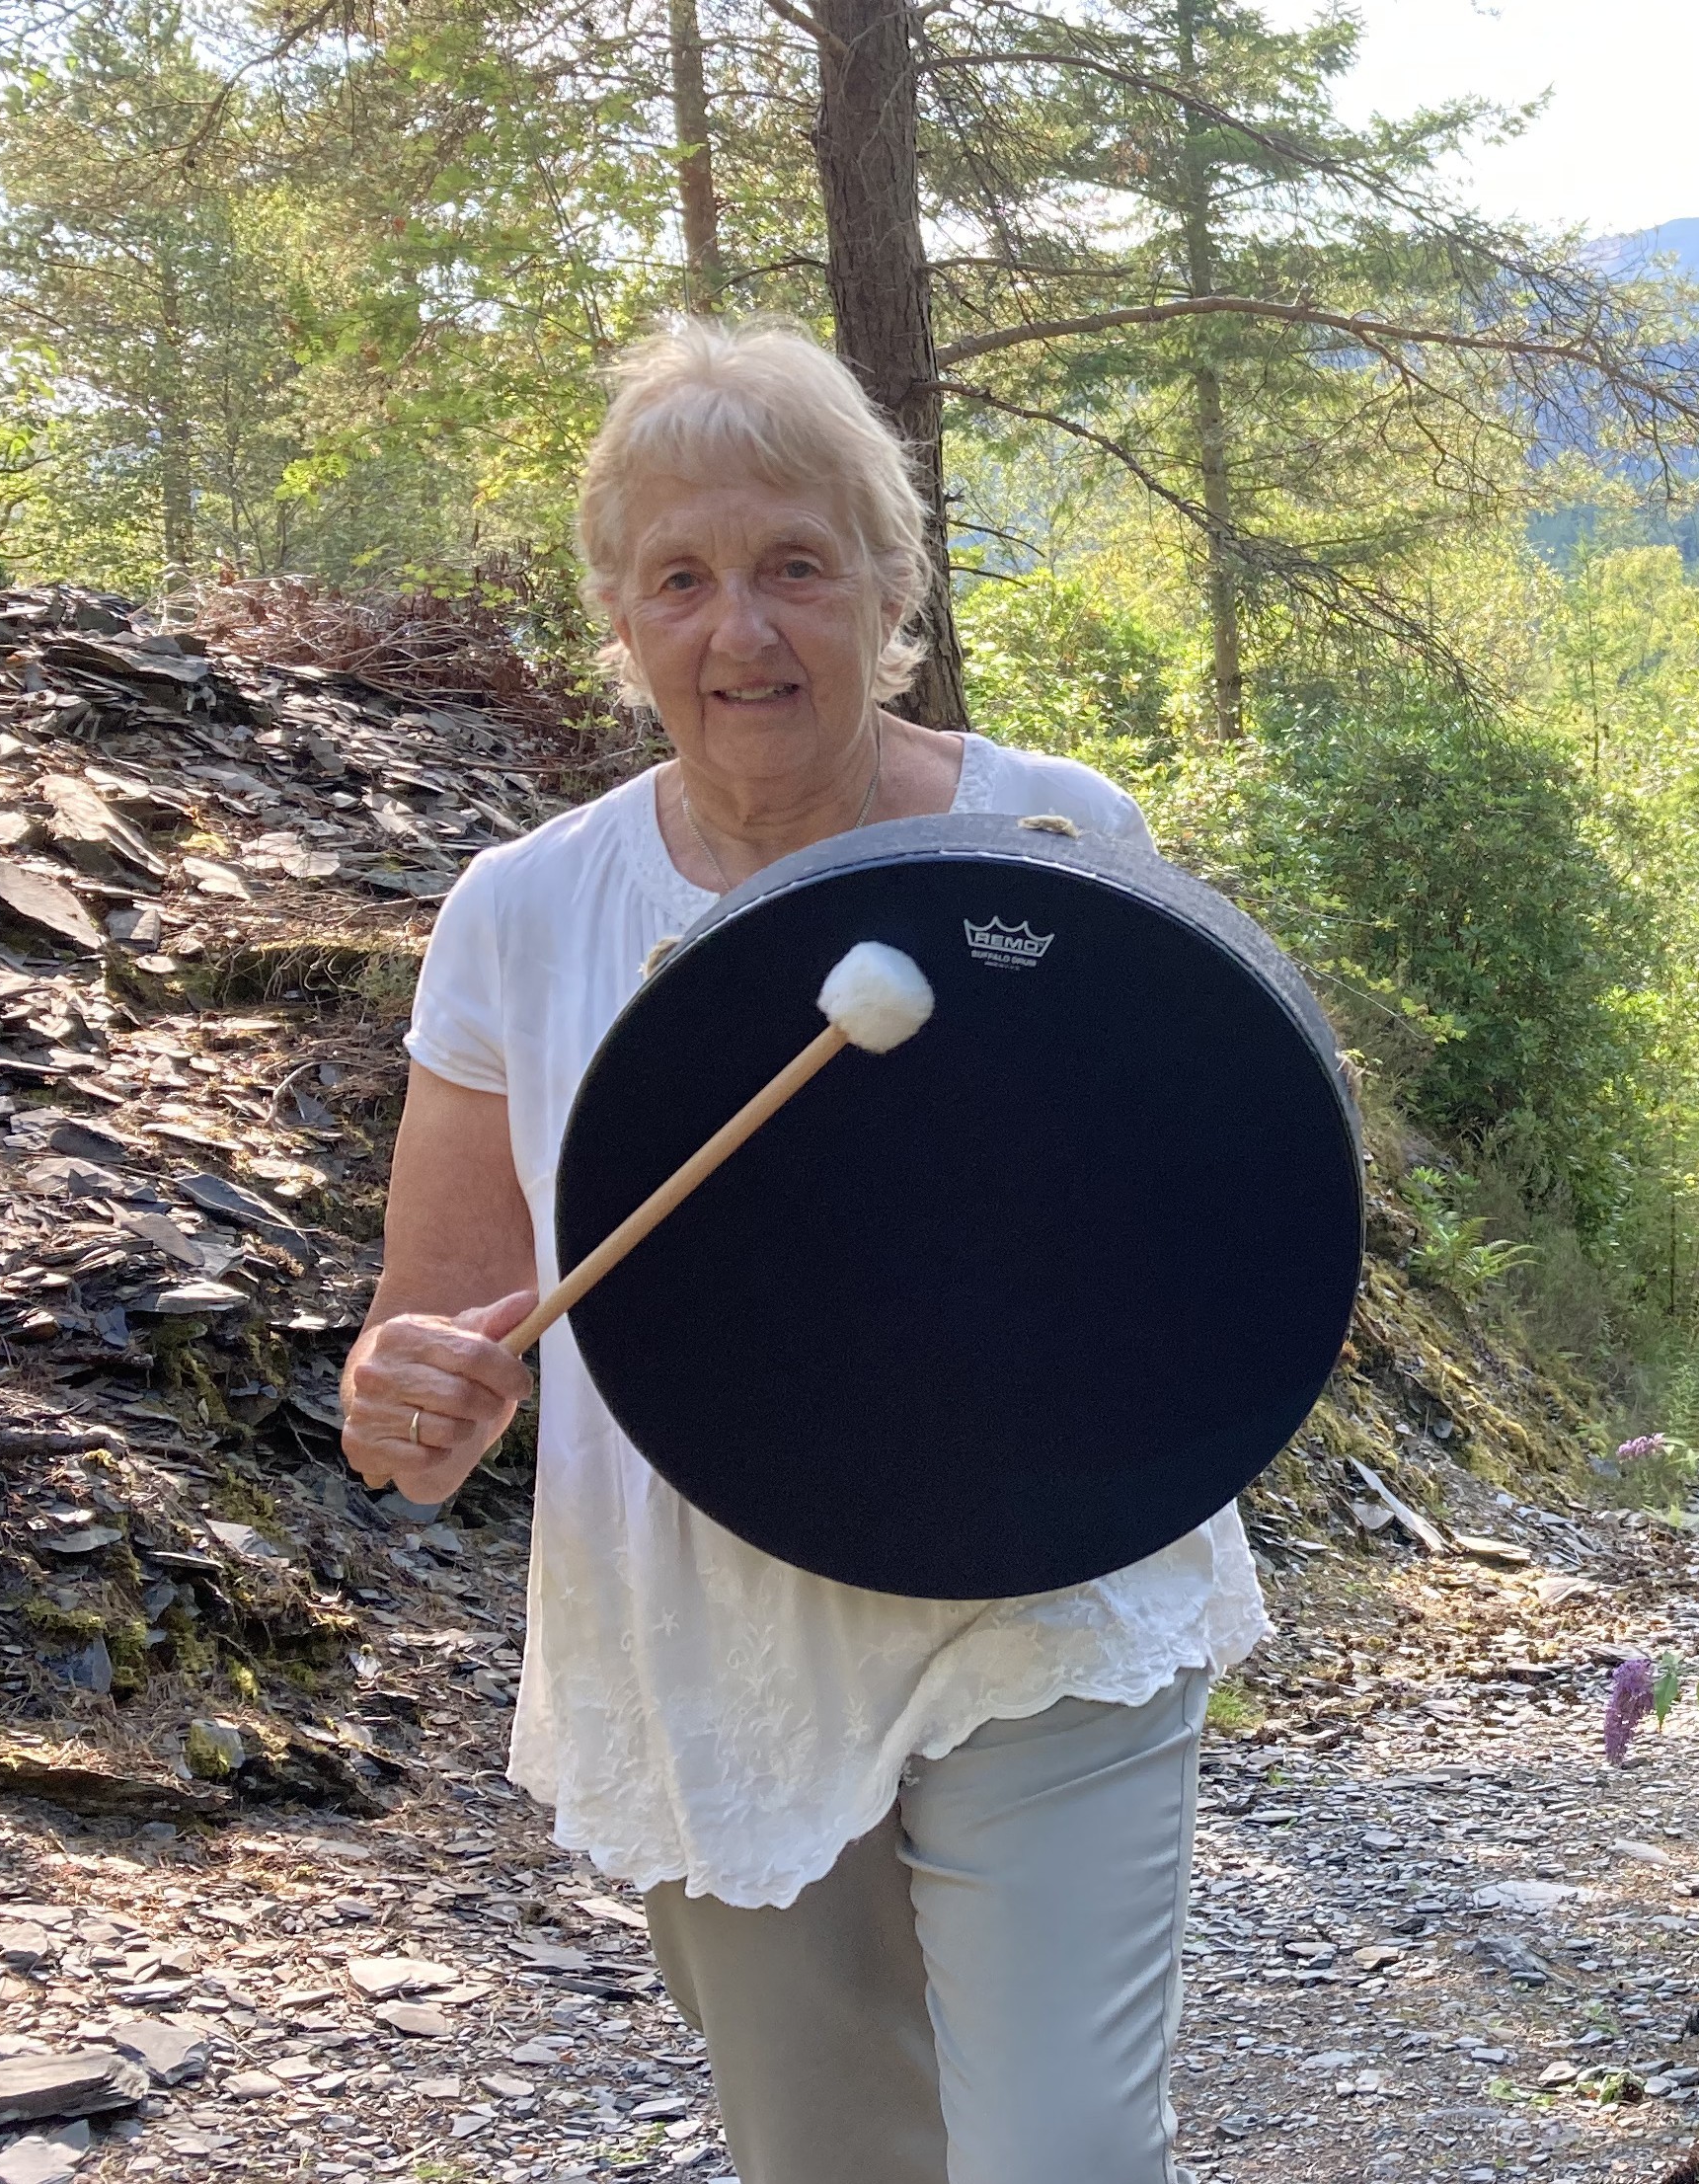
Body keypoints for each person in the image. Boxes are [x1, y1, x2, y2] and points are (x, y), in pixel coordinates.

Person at [340, 315, 1267, 2184]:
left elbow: (1193, 1213)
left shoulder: (1056, 835)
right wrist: (408, 1395)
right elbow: (421, 1361)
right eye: (679, 581)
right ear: (620, 615)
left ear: (885, 585)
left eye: (792, 569)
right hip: (709, 1635)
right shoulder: (522, 917)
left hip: (1045, 1591)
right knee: (838, 2159)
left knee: (1061, 2159)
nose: (739, 635)